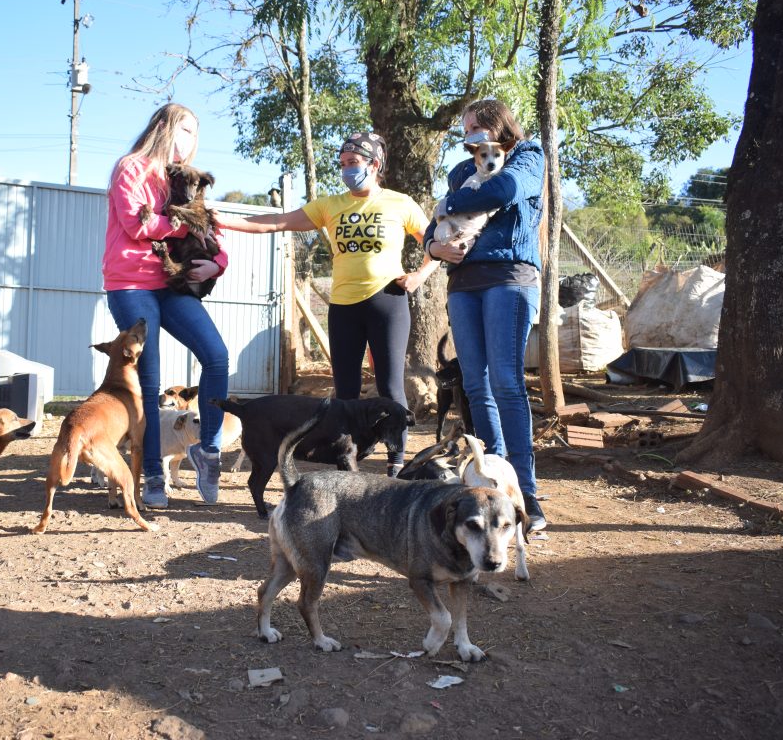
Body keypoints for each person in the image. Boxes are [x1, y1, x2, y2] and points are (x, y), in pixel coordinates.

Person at [215, 131, 439, 476]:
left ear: (374, 165)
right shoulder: (329, 206)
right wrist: (222, 220)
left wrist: (418, 276)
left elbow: (435, 246)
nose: (346, 169)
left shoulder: (400, 203)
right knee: (345, 391)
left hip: (387, 300)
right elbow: (276, 222)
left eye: (354, 163)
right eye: (343, 164)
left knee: (390, 384)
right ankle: (344, 465)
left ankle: (396, 465)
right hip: (344, 306)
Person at [423, 99, 548, 530]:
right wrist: (434, 247)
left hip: (509, 277)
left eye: (475, 125)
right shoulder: (461, 170)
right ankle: (494, 484)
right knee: (475, 386)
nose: (469, 134)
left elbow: (502, 190)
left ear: (498, 127)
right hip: (463, 283)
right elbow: (430, 227)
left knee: (507, 384)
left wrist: (448, 206)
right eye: (466, 129)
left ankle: (527, 496)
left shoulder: (529, 155)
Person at [103, 103, 229, 508]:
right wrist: (182, 222)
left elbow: (211, 231)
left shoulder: (186, 180)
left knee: (216, 356)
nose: (190, 141)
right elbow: (136, 224)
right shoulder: (131, 168)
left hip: (172, 283)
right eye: (185, 130)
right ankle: (154, 474)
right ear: (164, 127)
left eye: (195, 134)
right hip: (131, 282)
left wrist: (217, 262)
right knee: (151, 381)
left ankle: (208, 451)